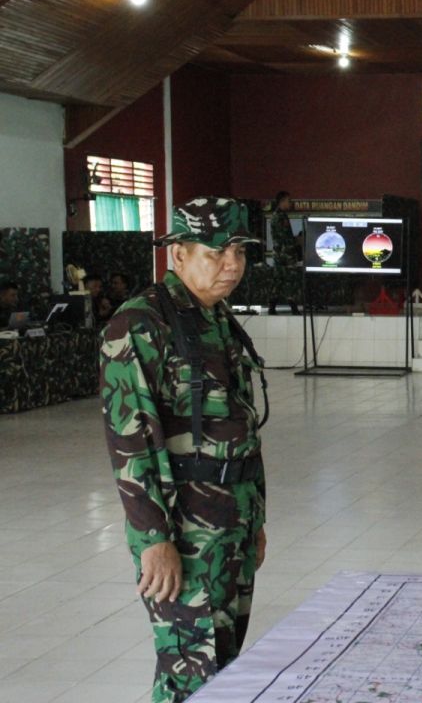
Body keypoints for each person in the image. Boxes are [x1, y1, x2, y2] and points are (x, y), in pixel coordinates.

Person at [100, 197, 269, 703]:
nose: (232, 265)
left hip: (230, 522)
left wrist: (254, 520)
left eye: (238, 251)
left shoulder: (216, 319)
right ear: (178, 256)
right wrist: (154, 539)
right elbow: (131, 445)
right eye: (216, 253)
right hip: (185, 529)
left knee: (224, 661)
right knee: (189, 670)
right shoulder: (140, 326)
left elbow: (239, 428)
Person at [268, 190, 302, 315]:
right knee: (289, 280)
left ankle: (272, 306)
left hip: (280, 254)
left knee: (279, 280)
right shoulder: (280, 217)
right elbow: (284, 238)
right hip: (285, 255)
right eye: (289, 201)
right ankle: (293, 307)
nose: (290, 203)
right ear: (282, 201)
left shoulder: (278, 216)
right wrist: (297, 241)